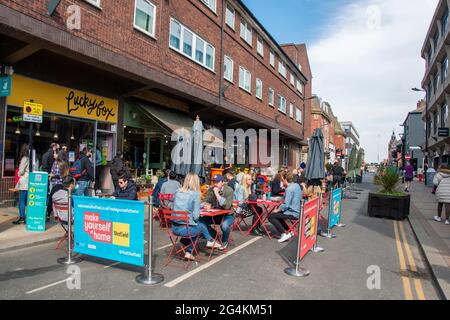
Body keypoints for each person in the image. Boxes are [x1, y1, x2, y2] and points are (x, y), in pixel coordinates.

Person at [172, 173, 222, 261]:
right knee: (201, 225)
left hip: (174, 227)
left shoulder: (177, 191)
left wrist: (200, 205)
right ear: (196, 182)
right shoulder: (195, 195)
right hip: (185, 229)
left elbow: (183, 206)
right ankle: (210, 241)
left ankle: (188, 250)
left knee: (197, 225)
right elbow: (195, 217)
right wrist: (199, 209)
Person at [201, 174, 235, 250]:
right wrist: (206, 205)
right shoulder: (211, 189)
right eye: (214, 182)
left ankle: (224, 240)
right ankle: (214, 237)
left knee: (225, 225)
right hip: (215, 215)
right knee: (201, 221)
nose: (215, 184)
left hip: (228, 215)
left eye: (217, 182)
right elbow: (206, 201)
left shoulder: (229, 190)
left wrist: (217, 194)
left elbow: (227, 206)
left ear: (222, 182)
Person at [268, 172, 302, 243]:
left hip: (293, 213)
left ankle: (284, 233)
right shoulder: (296, 185)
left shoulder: (289, 189)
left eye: (282, 180)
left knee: (271, 216)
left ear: (285, 180)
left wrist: (277, 209)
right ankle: (289, 231)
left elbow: (286, 205)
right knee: (278, 214)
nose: (281, 182)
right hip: (298, 211)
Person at [13, 144, 30, 225]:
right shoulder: (31, 158)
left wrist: (19, 173)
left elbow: (21, 170)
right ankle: (26, 217)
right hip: (29, 181)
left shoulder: (24, 158)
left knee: (22, 201)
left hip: (24, 182)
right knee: (27, 200)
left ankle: (22, 217)